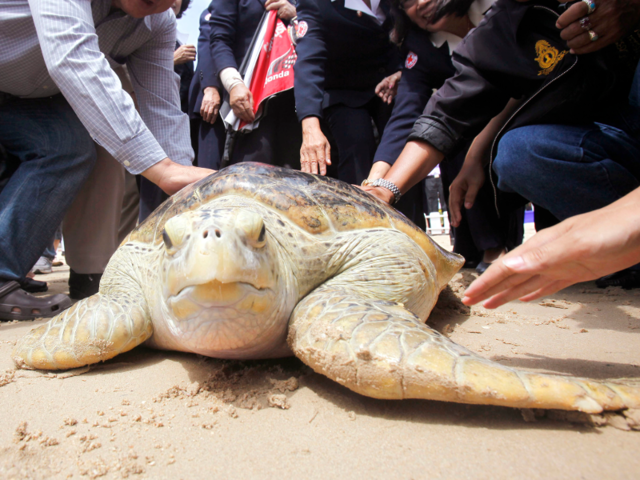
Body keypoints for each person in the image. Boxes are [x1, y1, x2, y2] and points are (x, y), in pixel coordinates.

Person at [362, 0, 640, 284]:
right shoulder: (497, 28)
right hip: (592, 133)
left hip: (618, 101)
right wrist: (383, 189)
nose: (421, 3)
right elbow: (445, 113)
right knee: (516, 153)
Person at [0, 0, 213, 320]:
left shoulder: (159, 24)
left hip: (31, 101)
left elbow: (162, 107)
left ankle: (7, 272)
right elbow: (72, 57)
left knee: (68, 147)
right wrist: (163, 170)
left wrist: (184, 192)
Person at [365, 0, 524, 255]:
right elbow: (407, 113)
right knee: (454, 142)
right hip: (462, 125)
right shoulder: (419, 47)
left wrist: (476, 154)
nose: (422, 3)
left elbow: (519, 86)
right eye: (407, 2)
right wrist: (375, 183)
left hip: (531, 113)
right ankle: (482, 246)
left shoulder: (506, 11)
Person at [293, 0, 399, 182]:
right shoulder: (315, 3)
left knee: (401, 151)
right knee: (357, 149)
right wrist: (310, 126)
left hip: (397, 82)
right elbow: (309, 59)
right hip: (344, 90)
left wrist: (404, 72)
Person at [209, 0, 301, 168]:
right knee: (250, 176)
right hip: (251, 102)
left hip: (296, 104)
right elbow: (220, 40)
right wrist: (234, 85)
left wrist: (296, 17)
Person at [188, 3, 226, 170]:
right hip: (214, 103)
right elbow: (206, 47)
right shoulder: (216, 10)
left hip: (251, 97)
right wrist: (210, 87)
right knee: (209, 173)